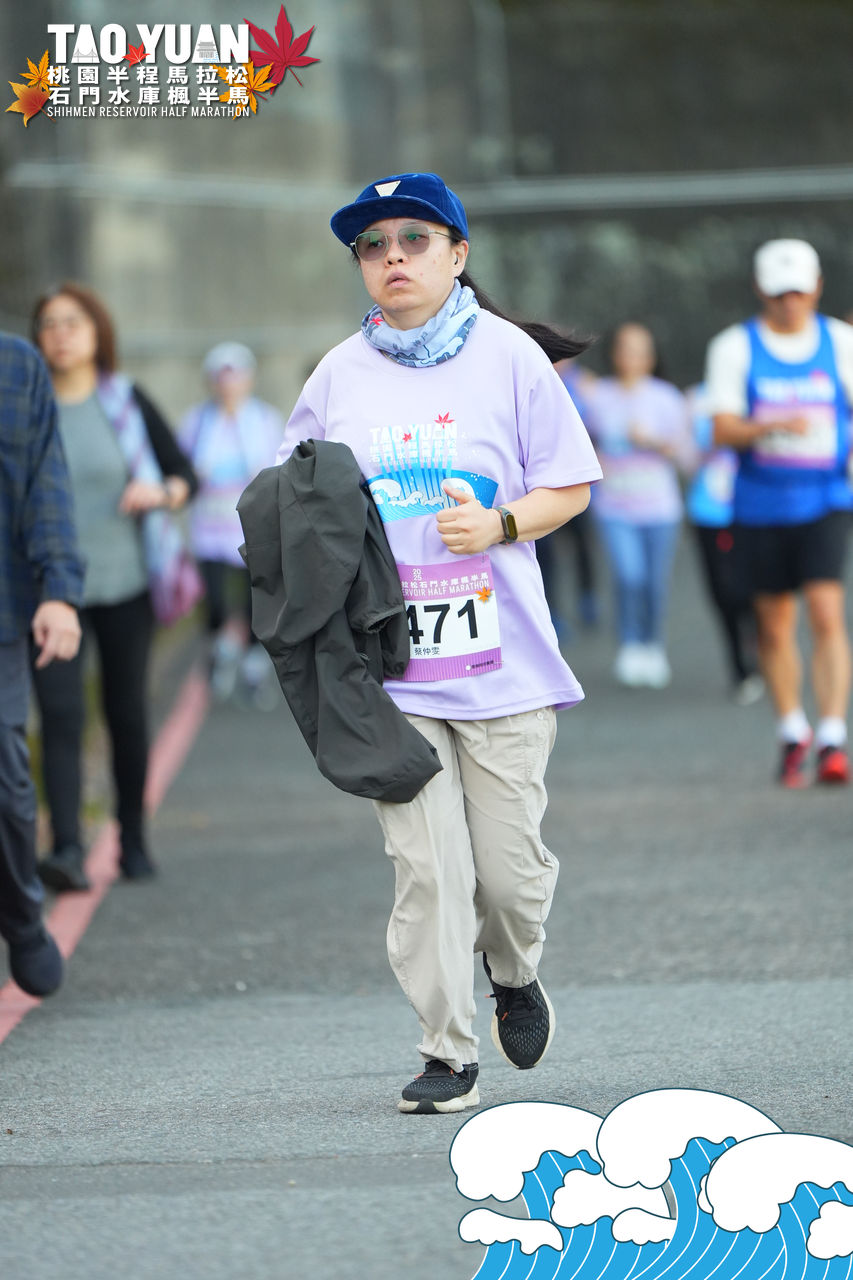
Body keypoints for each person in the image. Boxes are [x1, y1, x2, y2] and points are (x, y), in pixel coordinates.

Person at [275, 171, 602, 1114]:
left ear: (457, 254)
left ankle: (513, 970)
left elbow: (570, 486)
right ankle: (445, 1051)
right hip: (391, 676)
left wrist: (498, 525)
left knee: (508, 879)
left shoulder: (509, 358)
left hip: (504, 668)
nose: (392, 258)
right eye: (372, 246)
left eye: (413, 240)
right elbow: (292, 498)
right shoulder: (338, 374)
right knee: (428, 870)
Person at [30, 283, 199, 889]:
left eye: (73, 322)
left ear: (97, 332)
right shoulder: (26, 409)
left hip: (127, 585)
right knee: (60, 715)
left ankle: (132, 840)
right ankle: (67, 849)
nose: (61, 334)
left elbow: (184, 474)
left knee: (125, 712)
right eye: (49, 324)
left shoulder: (125, 401)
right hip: (51, 594)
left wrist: (160, 492)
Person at [705, 240, 853, 787]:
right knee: (773, 624)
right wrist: (771, 426)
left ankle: (833, 735)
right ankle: (793, 730)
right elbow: (722, 428)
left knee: (827, 612)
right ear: (760, 291)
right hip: (760, 504)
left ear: (817, 288)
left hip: (825, 498)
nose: (790, 303)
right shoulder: (734, 347)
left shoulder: (841, 343)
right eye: (778, 293)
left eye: (798, 292)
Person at [0, 332, 83, 996]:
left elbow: (45, 487)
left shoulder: (16, 366)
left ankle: (22, 918)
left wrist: (58, 590)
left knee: (6, 782)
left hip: (3, 609)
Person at [583, 323, 694, 688]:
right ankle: (630, 645)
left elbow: (685, 454)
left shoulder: (666, 397)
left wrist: (652, 441)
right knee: (629, 576)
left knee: (654, 582)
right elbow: (583, 442)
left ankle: (653, 646)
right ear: (615, 354)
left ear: (651, 357)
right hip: (614, 507)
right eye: (626, 349)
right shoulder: (599, 396)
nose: (632, 357)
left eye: (640, 350)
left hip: (660, 509)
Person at [179, 342, 283, 707]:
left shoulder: (265, 420)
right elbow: (183, 468)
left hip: (252, 530)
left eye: (235, 377)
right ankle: (221, 652)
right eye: (221, 378)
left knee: (256, 603)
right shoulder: (196, 422)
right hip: (209, 531)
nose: (228, 386)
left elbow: (275, 470)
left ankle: (253, 667)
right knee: (215, 603)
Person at [685, 384, 763, 704]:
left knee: (758, 591)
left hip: (756, 511)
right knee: (723, 593)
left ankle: (763, 655)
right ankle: (740, 669)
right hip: (710, 513)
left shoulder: (761, 390)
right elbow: (692, 450)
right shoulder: (698, 399)